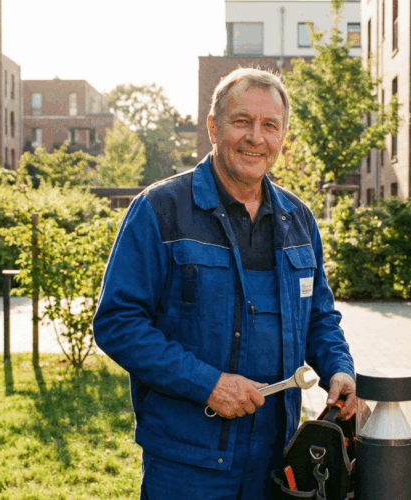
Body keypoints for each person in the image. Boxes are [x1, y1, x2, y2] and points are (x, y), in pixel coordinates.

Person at [92, 67, 356, 500]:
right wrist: (208, 385)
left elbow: (319, 317)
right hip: (186, 464)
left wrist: (339, 368)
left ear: (283, 136)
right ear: (214, 127)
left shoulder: (299, 220)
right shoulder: (159, 209)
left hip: (276, 458)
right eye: (242, 121)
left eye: (269, 125)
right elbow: (118, 323)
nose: (256, 137)